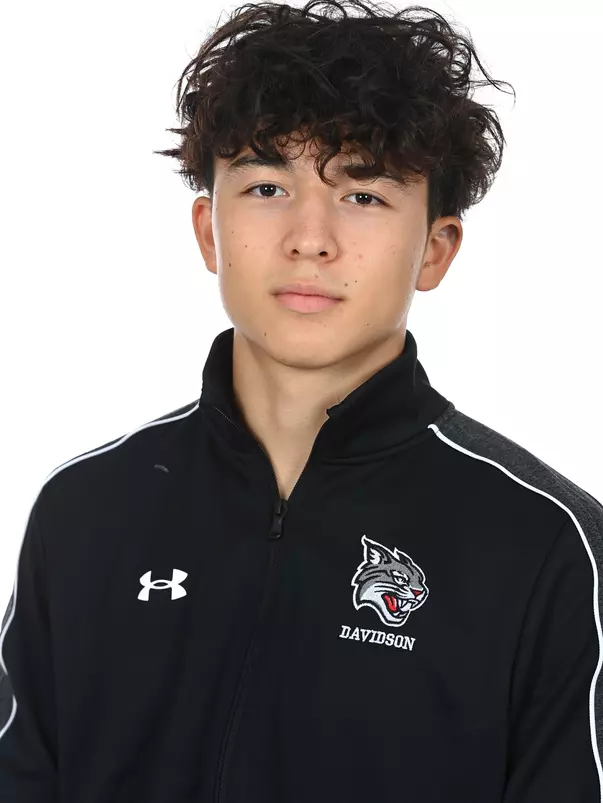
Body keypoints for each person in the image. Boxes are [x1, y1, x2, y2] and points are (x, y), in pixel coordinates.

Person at [1, 0, 602, 800]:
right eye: (264, 186)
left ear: (435, 247)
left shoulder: (547, 547)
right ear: (208, 230)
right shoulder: (85, 508)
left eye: (363, 195)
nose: (309, 237)